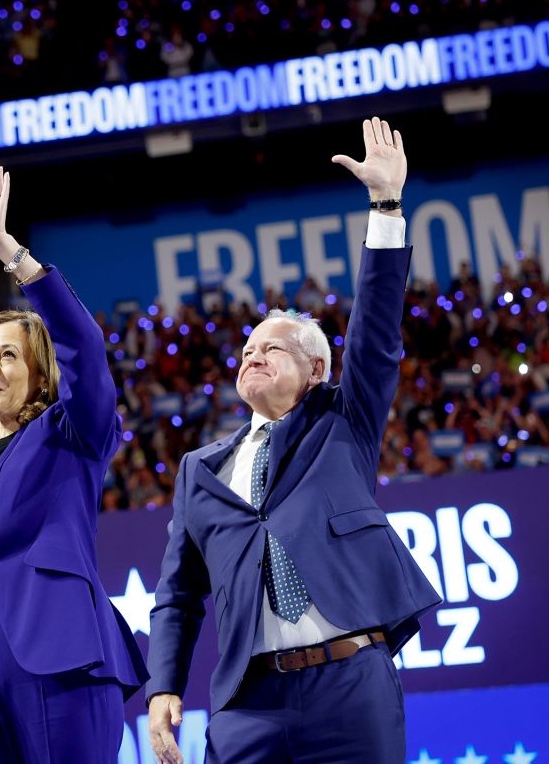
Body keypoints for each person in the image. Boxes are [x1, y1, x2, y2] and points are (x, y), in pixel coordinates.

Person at [145, 118, 442, 763]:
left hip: (350, 686)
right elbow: (177, 592)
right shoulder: (200, 470)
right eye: (247, 349)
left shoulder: (344, 423)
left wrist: (386, 207)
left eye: (272, 347)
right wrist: (163, 684)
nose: (252, 355)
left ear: (316, 371)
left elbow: (377, 331)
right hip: (247, 703)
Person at [0, 164, 148, 762]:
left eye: (8, 357)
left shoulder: (72, 434)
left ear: (41, 375)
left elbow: (85, 347)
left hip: (59, 660)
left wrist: (11, 255)